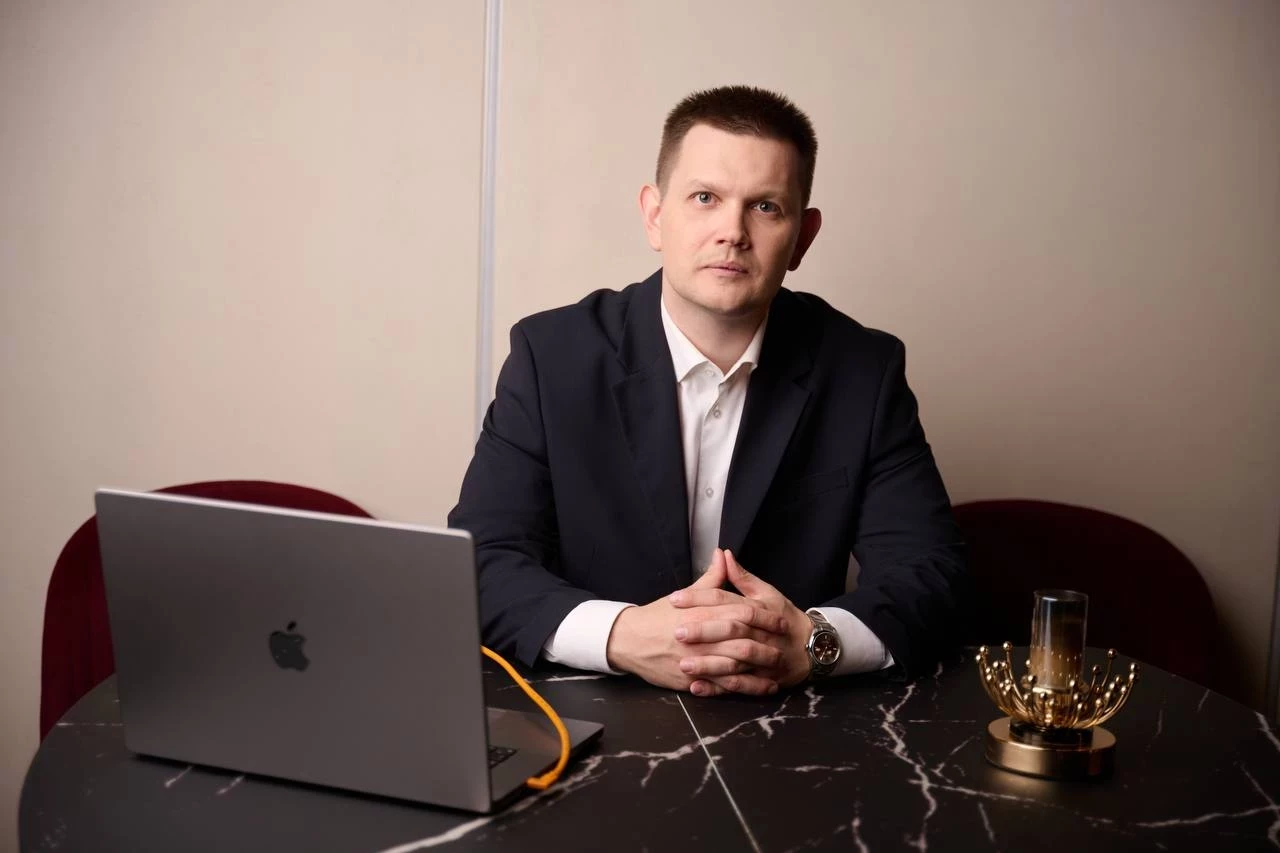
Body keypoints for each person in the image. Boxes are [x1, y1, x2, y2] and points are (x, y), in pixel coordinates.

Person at [449, 85, 965, 698]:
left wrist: (813, 643)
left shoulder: (863, 371)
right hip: (592, 703)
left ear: (803, 236)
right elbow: (480, 560)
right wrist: (621, 635)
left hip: (789, 716)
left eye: (766, 207)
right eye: (705, 198)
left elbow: (931, 573)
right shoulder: (551, 356)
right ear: (654, 215)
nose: (732, 232)